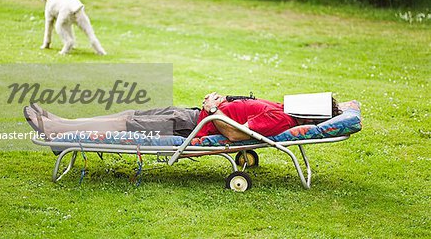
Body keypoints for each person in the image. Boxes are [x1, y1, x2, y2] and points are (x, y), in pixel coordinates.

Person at [24, 92, 340, 141]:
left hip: (193, 126)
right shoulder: (285, 110)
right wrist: (222, 100)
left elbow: (236, 135)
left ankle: (55, 130)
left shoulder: (282, 121)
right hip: (193, 114)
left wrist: (214, 109)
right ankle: (61, 124)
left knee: (125, 124)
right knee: (127, 114)